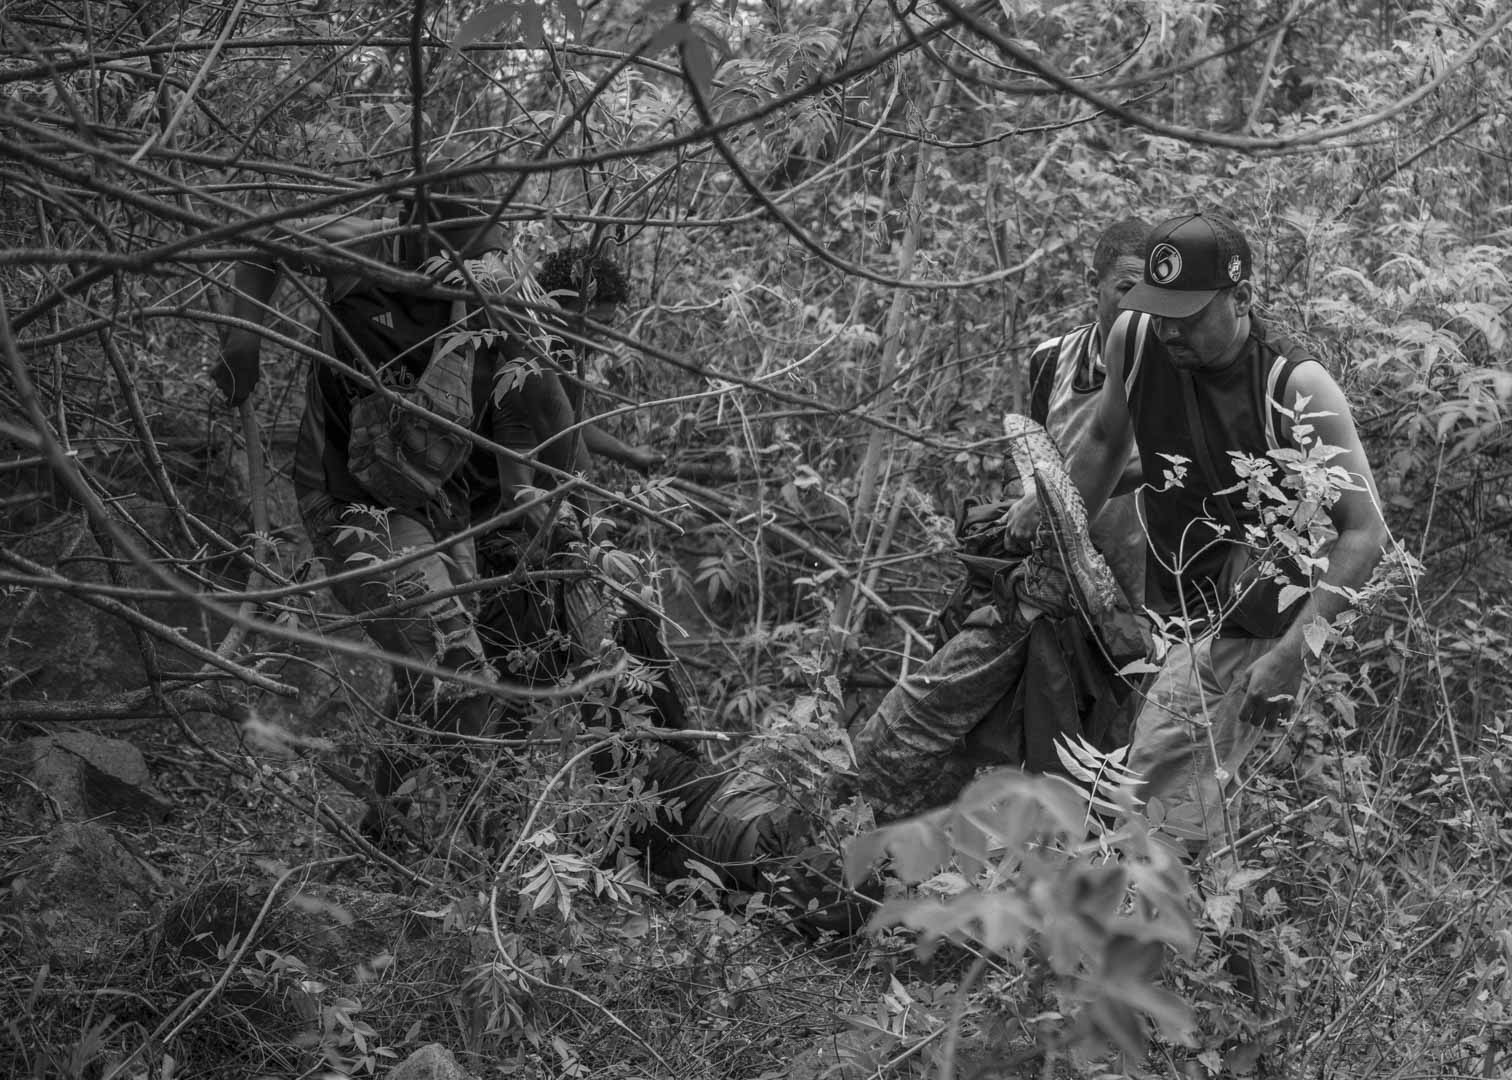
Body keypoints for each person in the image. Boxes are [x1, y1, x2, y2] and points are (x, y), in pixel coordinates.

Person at [214, 181, 594, 820]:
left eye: (491, 256)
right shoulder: (359, 250)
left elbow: (550, 413)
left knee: (426, 676)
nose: (478, 273)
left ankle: (382, 833)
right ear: (420, 237)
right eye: (465, 255)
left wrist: (576, 520)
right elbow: (264, 236)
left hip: (437, 510)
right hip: (349, 501)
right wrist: (240, 339)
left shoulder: (493, 294)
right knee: (454, 671)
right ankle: (486, 853)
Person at [1028, 211, 1390, 854]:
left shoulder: (1293, 385)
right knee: (1183, 786)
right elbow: (1109, 444)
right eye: (1158, 310)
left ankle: (1160, 935)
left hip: (1256, 615)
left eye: (1188, 316)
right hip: (1174, 600)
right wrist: (1054, 524)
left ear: (1242, 297)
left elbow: (1363, 534)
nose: (1168, 330)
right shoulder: (1135, 342)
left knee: (1157, 779)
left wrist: (1291, 656)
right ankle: (1207, 932)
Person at [852, 220, 1155, 823]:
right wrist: (1031, 505)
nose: (1136, 305)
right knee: (938, 709)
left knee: (1095, 768)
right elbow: (1039, 454)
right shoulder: (1054, 360)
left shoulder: (1171, 363)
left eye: (1150, 292)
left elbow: (1161, 463)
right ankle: (857, 834)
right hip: (1044, 583)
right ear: (1092, 284)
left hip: (1134, 608)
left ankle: (1064, 890)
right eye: (1125, 287)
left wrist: (1053, 495)